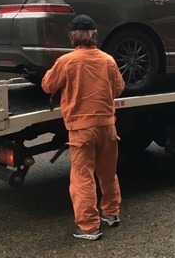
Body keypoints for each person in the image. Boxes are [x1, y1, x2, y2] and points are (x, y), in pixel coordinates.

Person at [41, 14, 125, 240]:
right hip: (108, 126)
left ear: (73, 36)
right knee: (108, 173)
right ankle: (111, 212)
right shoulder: (108, 60)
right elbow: (118, 89)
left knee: (82, 177)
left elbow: (48, 86)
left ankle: (88, 227)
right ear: (95, 36)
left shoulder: (66, 61)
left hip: (81, 129)